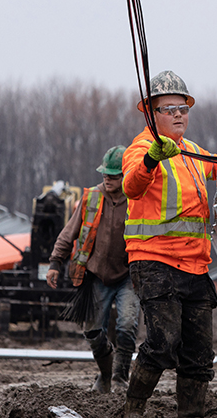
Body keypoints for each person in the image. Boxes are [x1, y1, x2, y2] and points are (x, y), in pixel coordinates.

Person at [120, 70, 217, 418]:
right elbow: (131, 186)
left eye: (183, 107)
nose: (178, 114)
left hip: (194, 265)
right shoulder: (142, 148)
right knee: (163, 343)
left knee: (199, 355)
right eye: (169, 108)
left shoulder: (191, 151)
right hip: (154, 261)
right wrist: (151, 160)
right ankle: (132, 410)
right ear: (151, 114)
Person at [46, 146, 140, 393]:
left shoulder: (138, 201)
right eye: (105, 175)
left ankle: (120, 379)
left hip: (128, 276)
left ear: (126, 175)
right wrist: (56, 262)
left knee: (127, 325)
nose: (107, 179)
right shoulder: (92, 198)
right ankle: (106, 375)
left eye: (113, 175)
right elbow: (69, 232)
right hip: (97, 275)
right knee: (93, 331)